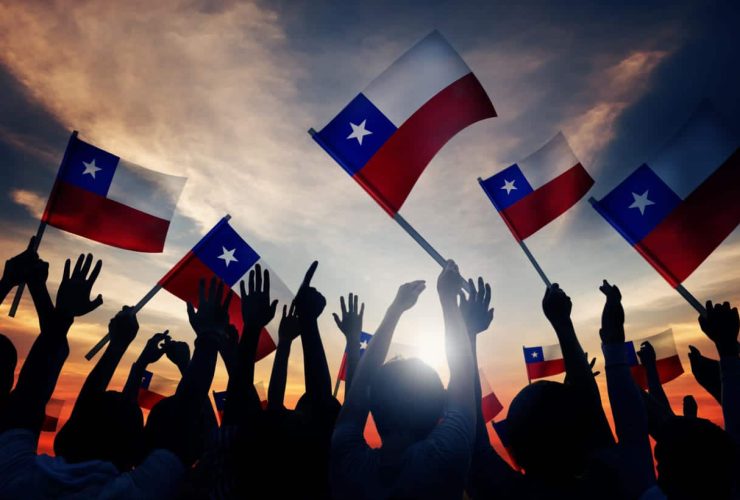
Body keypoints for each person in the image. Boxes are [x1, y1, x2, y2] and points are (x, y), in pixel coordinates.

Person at [331, 260, 477, 500]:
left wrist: (396, 309)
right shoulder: (447, 459)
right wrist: (448, 300)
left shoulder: (348, 462)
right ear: (441, 408)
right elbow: (463, 373)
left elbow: (358, 392)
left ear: (373, 405)